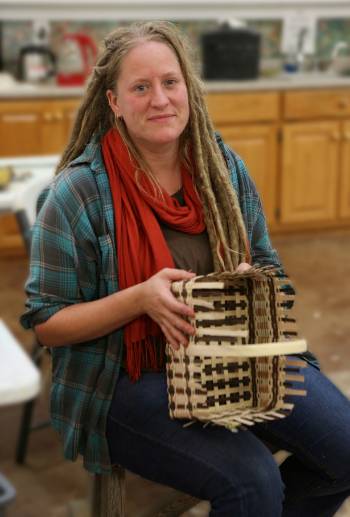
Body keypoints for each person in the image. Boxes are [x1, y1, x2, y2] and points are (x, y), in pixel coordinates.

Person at [21, 20, 350, 517]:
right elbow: (48, 324)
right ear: (114, 103)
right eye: (140, 87)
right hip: (125, 379)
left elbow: (271, 268)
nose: (160, 100)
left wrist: (250, 282)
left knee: (345, 449)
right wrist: (139, 299)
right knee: (253, 482)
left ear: (188, 89)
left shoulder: (221, 168)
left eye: (170, 82)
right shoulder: (77, 194)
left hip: (233, 359)